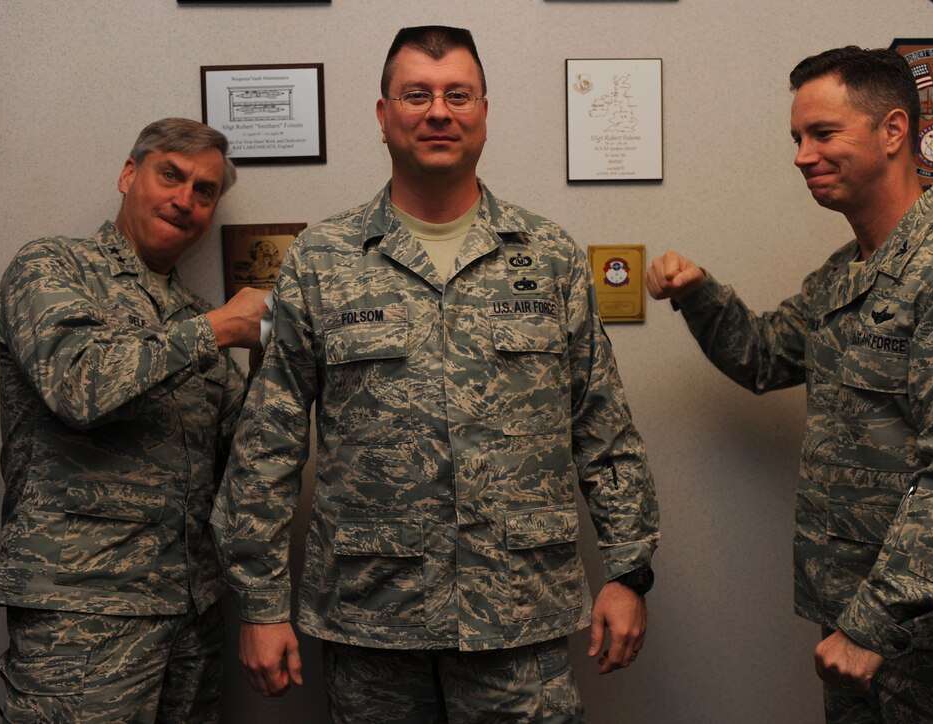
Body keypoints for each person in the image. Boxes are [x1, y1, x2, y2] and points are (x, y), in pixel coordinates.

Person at [212, 25, 659, 723]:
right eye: (415, 94)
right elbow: (267, 443)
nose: (438, 111)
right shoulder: (322, 259)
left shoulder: (548, 256)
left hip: (519, 618)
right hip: (374, 618)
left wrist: (629, 572)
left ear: (485, 111)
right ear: (384, 114)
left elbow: (602, 425)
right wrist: (262, 603)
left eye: (458, 94)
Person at [648, 46, 933, 722]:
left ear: (893, 131)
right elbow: (766, 355)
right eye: (797, 138)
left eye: (822, 134)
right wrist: (699, 294)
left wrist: (875, 620)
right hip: (856, 636)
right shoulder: (847, 275)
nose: (802, 155)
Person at [0, 118, 270, 722]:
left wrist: (272, 358)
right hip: (82, 615)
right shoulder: (52, 267)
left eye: (204, 191)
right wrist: (220, 330)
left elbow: (243, 457)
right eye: (172, 174)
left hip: (191, 616)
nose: (185, 199)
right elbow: (78, 385)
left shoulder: (193, 315)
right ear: (127, 174)